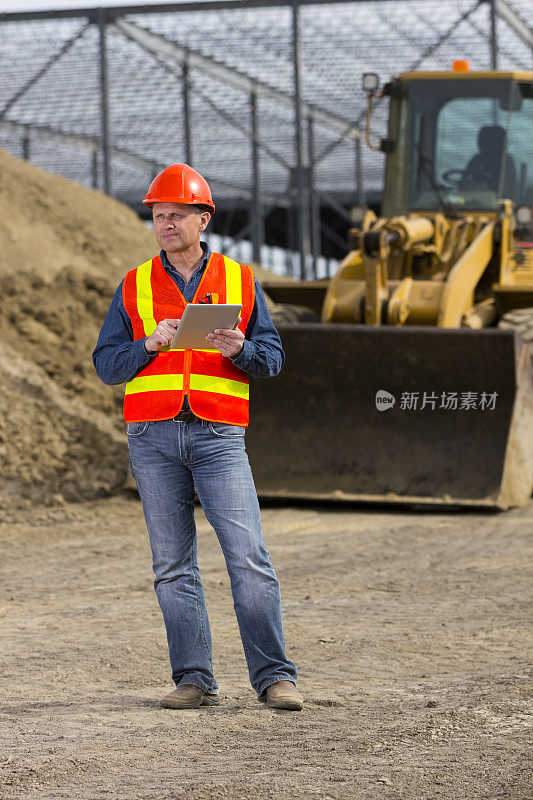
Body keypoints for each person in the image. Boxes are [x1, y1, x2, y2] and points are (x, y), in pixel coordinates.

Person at [92, 163, 302, 711]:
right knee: (172, 567)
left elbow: (274, 360)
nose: (166, 223)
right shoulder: (134, 285)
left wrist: (241, 350)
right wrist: (147, 346)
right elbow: (107, 365)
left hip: (217, 436)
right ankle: (194, 680)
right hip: (152, 438)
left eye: (178, 214)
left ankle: (275, 677)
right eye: (159, 215)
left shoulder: (239, 280)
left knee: (248, 557)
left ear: (203, 219)